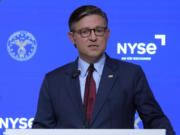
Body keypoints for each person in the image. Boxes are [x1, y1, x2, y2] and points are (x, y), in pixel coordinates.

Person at [32, 5, 175, 135]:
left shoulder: (130, 74)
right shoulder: (54, 80)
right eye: (85, 32)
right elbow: (41, 128)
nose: (93, 37)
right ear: (72, 37)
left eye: (99, 31)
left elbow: (155, 120)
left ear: (107, 34)